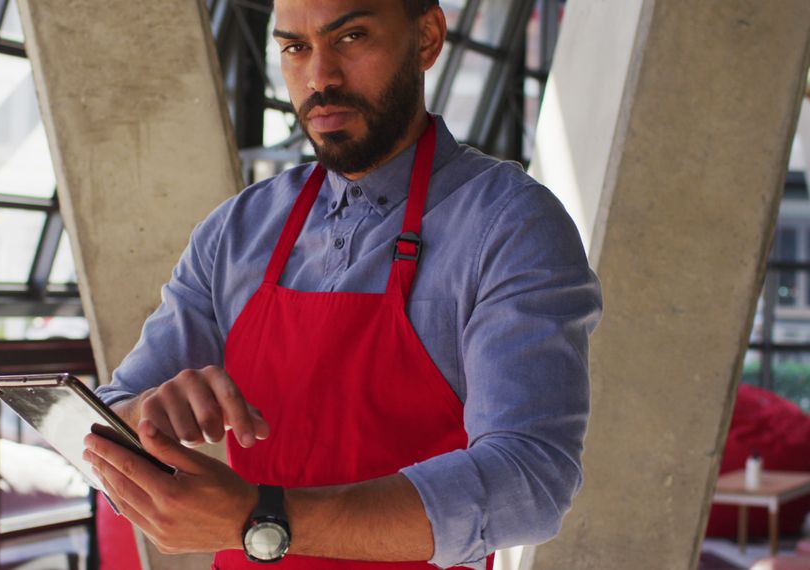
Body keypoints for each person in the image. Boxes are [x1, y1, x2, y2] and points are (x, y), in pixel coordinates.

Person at [81, 0, 602, 568]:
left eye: (351, 37)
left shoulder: (511, 224)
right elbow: (100, 424)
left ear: (427, 37)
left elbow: (529, 481)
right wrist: (144, 418)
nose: (319, 77)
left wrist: (263, 520)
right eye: (295, 48)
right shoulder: (237, 230)